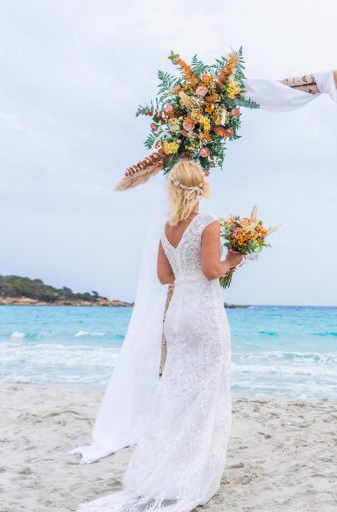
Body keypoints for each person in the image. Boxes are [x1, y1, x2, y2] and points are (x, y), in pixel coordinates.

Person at [78, 159, 244, 511]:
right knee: (204, 394)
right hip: (203, 316)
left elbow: (164, 276)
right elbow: (212, 271)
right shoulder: (207, 223)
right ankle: (188, 472)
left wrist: (190, 274)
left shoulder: (168, 228)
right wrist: (234, 260)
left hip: (177, 316)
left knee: (175, 391)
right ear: (202, 188)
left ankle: (161, 468)